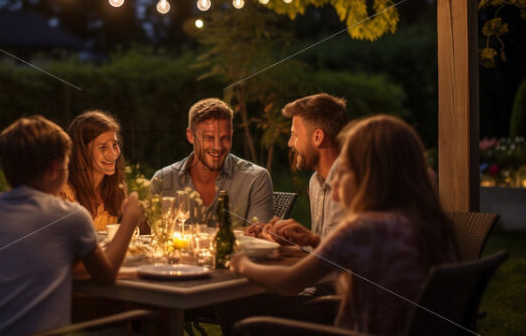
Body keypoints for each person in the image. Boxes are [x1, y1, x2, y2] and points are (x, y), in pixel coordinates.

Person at [230, 115, 458, 335]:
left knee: (241, 307)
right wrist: (316, 240)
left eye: (345, 170)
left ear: (371, 175)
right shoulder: (431, 225)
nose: (335, 180)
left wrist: (240, 262)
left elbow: (288, 283)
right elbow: (372, 262)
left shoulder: (363, 228)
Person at [0, 116, 144, 336]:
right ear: (55, 168)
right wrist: (130, 220)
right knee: (142, 322)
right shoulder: (68, 216)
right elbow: (105, 276)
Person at [246, 93, 348, 248]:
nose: (290, 143)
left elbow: (354, 257)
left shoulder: (352, 184)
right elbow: (319, 254)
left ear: (318, 137)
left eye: (295, 135)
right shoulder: (316, 181)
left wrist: (311, 239)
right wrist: (281, 242)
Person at [152, 98, 273, 227]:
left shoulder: (256, 179)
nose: (218, 146)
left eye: (225, 138)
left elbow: (259, 239)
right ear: (190, 136)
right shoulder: (162, 180)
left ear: (231, 135)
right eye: (209, 138)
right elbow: (147, 237)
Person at [60, 110, 126, 232]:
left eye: (115, 145)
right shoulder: (63, 193)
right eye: (103, 147)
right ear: (82, 152)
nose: (113, 155)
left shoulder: (116, 187)